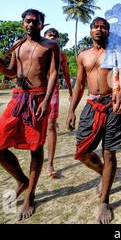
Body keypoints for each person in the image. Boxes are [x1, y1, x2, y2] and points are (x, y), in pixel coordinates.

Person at [0, 9, 60, 220]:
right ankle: (22, 180)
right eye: (27, 22)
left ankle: (30, 196)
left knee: (35, 148)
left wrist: (46, 101)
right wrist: (1, 69)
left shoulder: (51, 45)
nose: (30, 25)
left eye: (34, 21)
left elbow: (53, 73)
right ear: (23, 24)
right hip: (18, 98)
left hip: (38, 99)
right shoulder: (18, 45)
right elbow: (13, 73)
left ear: (41, 23)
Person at [67, 17, 121, 224]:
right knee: (83, 152)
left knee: (109, 152)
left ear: (108, 31)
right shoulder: (83, 55)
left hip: (112, 104)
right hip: (91, 104)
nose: (99, 30)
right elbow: (79, 84)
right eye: (96, 27)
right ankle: (104, 175)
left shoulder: (117, 52)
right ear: (90, 30)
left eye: (103, 27)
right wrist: (71, 110)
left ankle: (104, 200)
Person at [43, 28, 73, 179]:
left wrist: (71, 93)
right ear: (44, 37)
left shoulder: (61, 55)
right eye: (50, 35)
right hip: (37, 90)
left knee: (50, 125)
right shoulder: (38, 50)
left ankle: (50, 164)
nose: (53, 37)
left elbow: (67, 74)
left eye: (55, 36)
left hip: (53, 90)